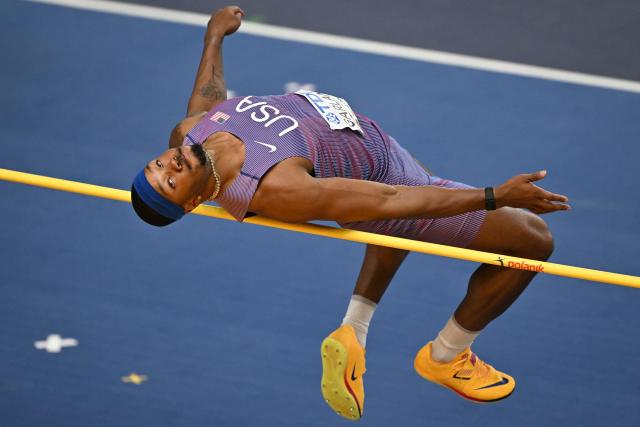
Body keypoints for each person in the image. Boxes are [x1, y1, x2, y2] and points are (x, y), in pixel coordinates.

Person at [131, 6, 570, 421]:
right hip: (390, 182)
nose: (169, 165)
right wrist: (495, 195)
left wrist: (213, 38)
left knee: (394, 229)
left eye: (158, 165)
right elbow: (389, 201)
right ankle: (447, 355)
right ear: (191, 203)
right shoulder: (276, 188)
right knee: (532, 241)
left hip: (380, 155)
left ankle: (354, 332)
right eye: (170, 182)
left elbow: (206, 101)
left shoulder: (189, 135)